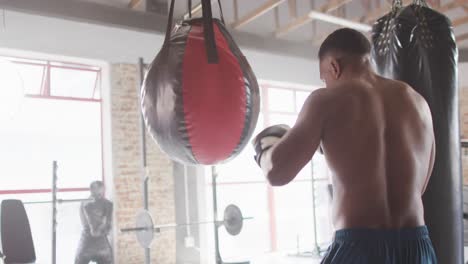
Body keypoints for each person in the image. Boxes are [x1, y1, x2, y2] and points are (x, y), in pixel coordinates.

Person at [252, 28, 437, 263]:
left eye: (324, 77)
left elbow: (277, 173)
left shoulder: (325, 100)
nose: (326, 84)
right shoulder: (418, 102)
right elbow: (421, 186)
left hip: (359, 247)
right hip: (417, 247)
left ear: (334, 66)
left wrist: (265, 150)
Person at [75, 181, 113, 264]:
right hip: (101, 245)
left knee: (79, 259)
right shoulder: (107, 204)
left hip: (86, 243)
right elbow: (107, 228)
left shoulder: (83, 202)